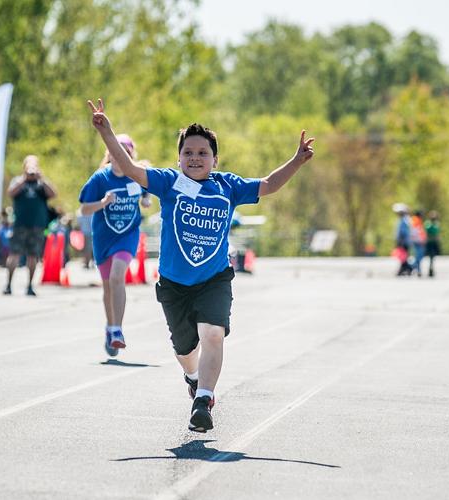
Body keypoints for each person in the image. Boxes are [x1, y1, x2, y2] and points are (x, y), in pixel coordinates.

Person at [88, 98, 315, 433]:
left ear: (215, 159)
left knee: (213, 334)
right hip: (174, 283)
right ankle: (194, 378)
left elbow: (268, 184)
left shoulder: (228, 186)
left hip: (214, 279)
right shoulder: (169, 182)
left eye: (202, 153)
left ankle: (203, 400)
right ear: (179, 158)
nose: (195, 158)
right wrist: (107, 133)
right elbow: (133, 170)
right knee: (184, 348)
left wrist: (296, 161)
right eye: (188, 153)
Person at [79, 134, 151, 357]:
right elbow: (83, 210)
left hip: (127, 235)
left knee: (118, 276)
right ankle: (110, 327)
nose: (121, 156)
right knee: (108, 285)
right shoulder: (100, 179)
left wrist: (147, 199)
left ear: (130, 155)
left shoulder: (138, 175)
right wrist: (102, 203)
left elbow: (149, 189)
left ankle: (118, 330)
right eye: (116, 152)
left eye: (125, 152)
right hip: (104, 237)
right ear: (109, 154)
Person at [3, 155, 57, 296]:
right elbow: (11, 192)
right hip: (20, 224)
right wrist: (24, 179)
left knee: (33, 256)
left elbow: (53, 194)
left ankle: (30, 286)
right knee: (14, 254)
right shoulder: (18, 181)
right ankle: (8, 284)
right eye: (29, 167)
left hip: (37, 226)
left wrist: (41, 178)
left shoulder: (41, 184)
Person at [392, 203, 412, 276]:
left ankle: (407, 269)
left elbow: (403, 233)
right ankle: (405, 270)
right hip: (404, 241)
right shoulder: (405, 219)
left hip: (404, 242)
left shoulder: (404, 220)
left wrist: (400, 242)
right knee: (403, 257)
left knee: (403, 257)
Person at [410, 210, 427, 277]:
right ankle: (412, 266)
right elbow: (415, 232)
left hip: (418, 241)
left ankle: (418, 270)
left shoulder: (416, 220)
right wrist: (421, 240)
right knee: (419, 256)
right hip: (418, 241)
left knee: (419, 256)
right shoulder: (415, 220)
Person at [425, 210, 441, 278]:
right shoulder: (429, 224)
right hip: (430, 242)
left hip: (433, 243)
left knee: (432, 257)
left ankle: (431, 269)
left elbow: (437, 234)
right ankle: (430, 269)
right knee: (431, 256)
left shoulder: (436, 224)